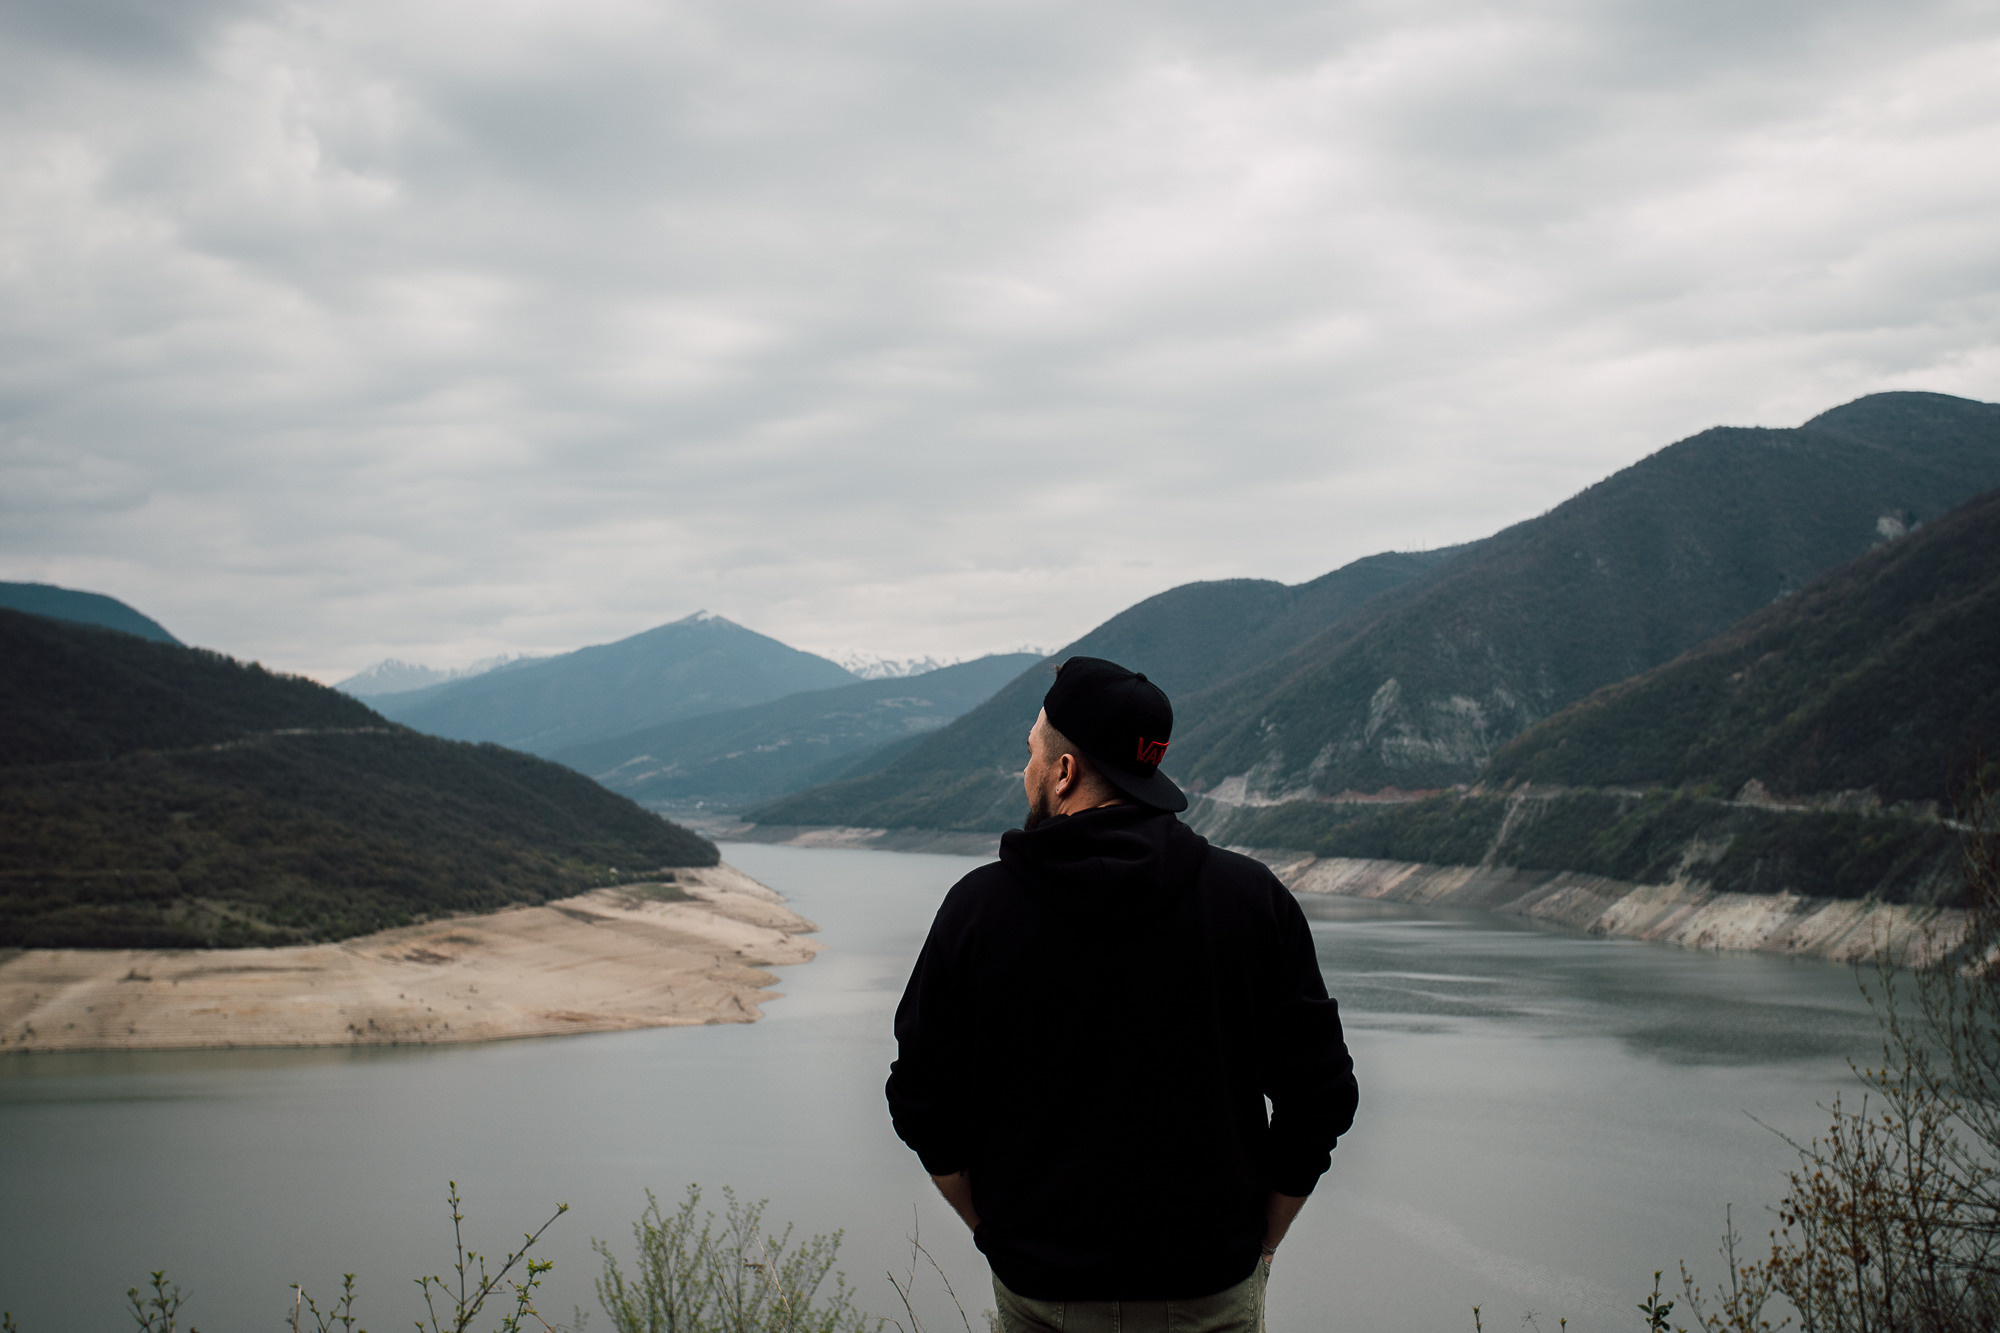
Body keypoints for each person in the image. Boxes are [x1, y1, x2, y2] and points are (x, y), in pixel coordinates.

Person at [885, 656, 1359, 1333]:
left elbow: (922, 1099)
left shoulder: (978, 911)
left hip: (1040, 1296)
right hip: (1207, 1295)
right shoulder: (1253, 902)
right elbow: (1322, 1095)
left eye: (1030, 752)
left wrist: (994, 1228)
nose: (1026, 770)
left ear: (1065, 771)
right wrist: (1263, 1243)